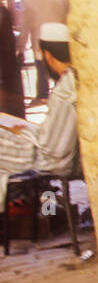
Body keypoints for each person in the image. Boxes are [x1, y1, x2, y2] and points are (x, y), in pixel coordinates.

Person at [0, 22, 79, 200]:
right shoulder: (71, 81)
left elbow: (51, 149)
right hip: (52, 155)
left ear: (47, 55)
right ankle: (47, 208)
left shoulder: (65, 89)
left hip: (48, 160)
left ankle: (43, 209)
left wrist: (26, 133)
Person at [18, 0, 71, 103]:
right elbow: (71, 15)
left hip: (40, 41)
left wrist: (20, 48)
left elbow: (25, 22)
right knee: (62, 76)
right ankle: (62, 100)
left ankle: (43, 98)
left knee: (42, 73)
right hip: (62, 39)